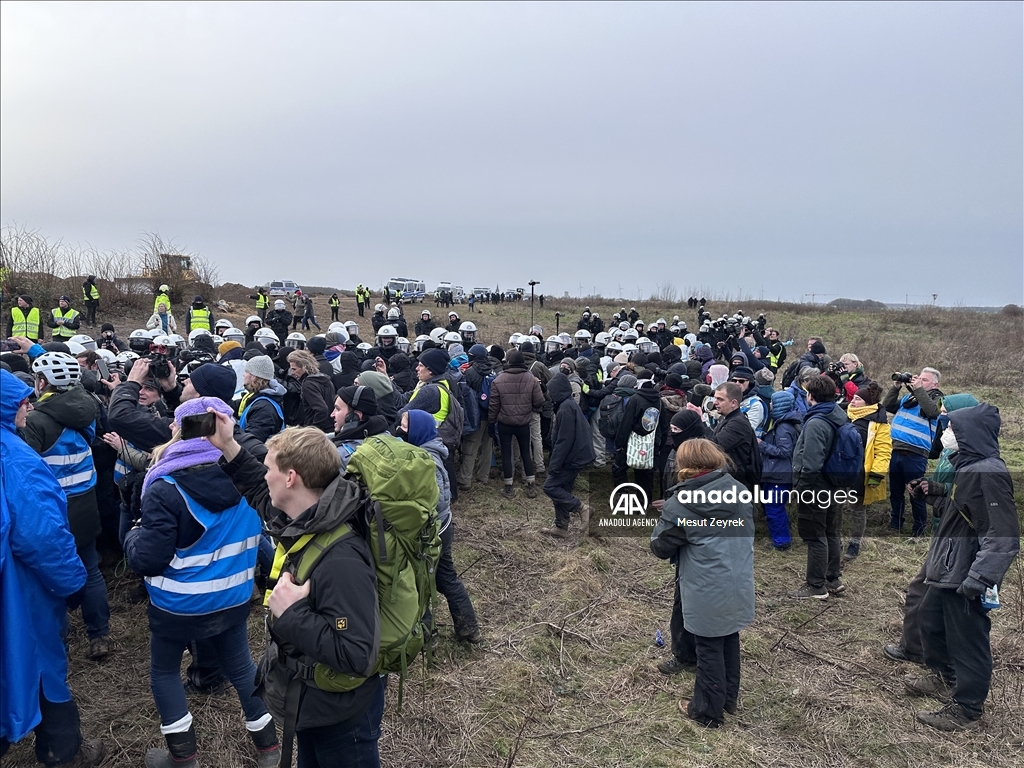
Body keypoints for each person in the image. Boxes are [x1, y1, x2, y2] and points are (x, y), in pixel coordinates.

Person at [210, 420, 384, 767]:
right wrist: (227, 445)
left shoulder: (341, 558)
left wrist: (293, 615)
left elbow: (358, 655)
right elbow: (260, 495)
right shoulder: (304, 518)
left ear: (291, 478)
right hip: (311, 701)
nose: (264, 476)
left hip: (340, 715)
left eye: (269, 469)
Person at [124, 396, 279, 767]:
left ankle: (184, 758)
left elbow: (149, 559)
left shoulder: (165, 487)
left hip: (178, 605)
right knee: (242, 668)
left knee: (164, 672)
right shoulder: (249, 479)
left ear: (179, 430)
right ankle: (270, 749)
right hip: (234, 597)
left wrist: (132, 536)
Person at [0, 370, 106, 767]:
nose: (28, 405)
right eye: (21, 401)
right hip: (22, 591)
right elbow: (42, 536)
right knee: (41, 663)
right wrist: (72, 581)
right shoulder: (16, 459)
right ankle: (65, 753)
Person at [905, 403, 1020, 731]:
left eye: (952, 429)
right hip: (949, 566)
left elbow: (1004, 534)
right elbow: (963, 511)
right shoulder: (968, 467)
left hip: (966, 573)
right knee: (929, 620)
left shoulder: (989, 472)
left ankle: (967, 709)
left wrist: (981, 577)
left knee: (968, 639)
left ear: (969, 435)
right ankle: (944, 676)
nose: (946, 434)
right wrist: (934, 493)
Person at [651, 438, 755, 728]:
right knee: (729, 637)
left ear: (684, 466)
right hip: (737, 579)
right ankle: (727, 698)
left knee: (708, 646)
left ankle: (707, 712)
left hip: (706, 584)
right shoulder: (740, 491)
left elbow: (660, 547)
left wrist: (669, 519)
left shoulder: (680, 504)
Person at [22, 352, 111, 660]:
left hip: (55, 511)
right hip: (87, 502)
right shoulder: (88, 407)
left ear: (42, 381)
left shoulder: (35, 420)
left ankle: (57, 644)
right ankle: (100, 635)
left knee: (50, 578)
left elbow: (26, 469)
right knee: (91, 570)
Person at [401, 409, 480, 642]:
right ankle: (468, 628)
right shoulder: (426, 451)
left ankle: (428, 636)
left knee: (420, 581)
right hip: (441, 527)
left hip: (434, 530)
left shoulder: (426, 459)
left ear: (418, 430)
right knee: (445, 579)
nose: (401, 430)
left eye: (405, 426)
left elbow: (438, 499)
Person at [788, 375, 849, 599]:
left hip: (816, 487)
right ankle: (832, 579)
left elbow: (811, 463)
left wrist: (801, 488)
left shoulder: (816, 422)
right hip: (834, 484)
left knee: (815, 535)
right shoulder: (839, 415)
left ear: (810, 396)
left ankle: (816, 585)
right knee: (831, 532)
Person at [883, 367, 943, 536]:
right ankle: (896, 524)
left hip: (916, 454)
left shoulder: (938, 398)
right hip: (896, 450)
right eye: (920, 378)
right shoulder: (910, 397)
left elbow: (932, 412)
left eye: (925, 380)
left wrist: (918, 389)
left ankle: (919, 530)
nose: (920, 381)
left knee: (916, 494)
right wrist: (896, 387)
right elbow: (887, 406)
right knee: (895, 493)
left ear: (935, 383)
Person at [540, 372, 596, 538]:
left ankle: (582, 508)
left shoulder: (565, 409)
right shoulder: (568, 404)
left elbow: (564, 441)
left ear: (557, 391)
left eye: (551, 391)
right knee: (562, 489)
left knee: (550, 487)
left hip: (572, 458)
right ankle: (561, 527)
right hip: (576, 456)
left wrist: (554, 465)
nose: (549, 395)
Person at [843, 382, 891, 560]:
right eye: (853, 398)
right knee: (835, 505)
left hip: (860, 473)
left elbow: (884, 451)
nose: (853, 401)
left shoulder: (879, 423)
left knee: (857, 509)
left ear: (867, 403)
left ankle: (854, 543)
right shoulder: (846, 415)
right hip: (841, 471)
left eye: (857, 399)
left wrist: (876, 475)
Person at [488, 348, 544, 499]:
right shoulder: (531, 379)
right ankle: (531, 485)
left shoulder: (498, 379)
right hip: (524, 422)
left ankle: (508, 487)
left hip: (505, 423)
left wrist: (491, 422)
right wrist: (530, 408)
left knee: (507, 454)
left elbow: (494, 405)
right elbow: (539, 401)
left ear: (509, 362)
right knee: (526, 452)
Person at [759, 390, 801, 552]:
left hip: (779, 475)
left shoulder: (783, 427)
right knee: (777, 507)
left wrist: (761, 444)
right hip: (779, 473)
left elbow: (784, 451)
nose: (770, 404)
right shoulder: (786, 423)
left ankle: (781, 542)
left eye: (772, 402)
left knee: (774, 508)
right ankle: (783, 534)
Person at [708, 382, 761, 493]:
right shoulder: (728, 418)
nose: (715, 403)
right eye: (715, 398)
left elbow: (714, 445)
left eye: (720, 399)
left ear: (733, 403)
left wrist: (699, 423)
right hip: (730, 481)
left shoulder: (738, 423)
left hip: (736, 485)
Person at [238, 355, 286, 443]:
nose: (244, 375)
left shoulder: (263, 408)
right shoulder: (259, 398)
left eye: (246, 372)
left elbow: (252, 442)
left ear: (254, 377)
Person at [287, 350, 335, 433]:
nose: (292, 373)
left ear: (304, 367)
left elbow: (321, 409)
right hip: (330, 426)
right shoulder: (325, 379)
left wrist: (312, 430)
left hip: (317, 431)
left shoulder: (308, 384)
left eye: (294, 369)